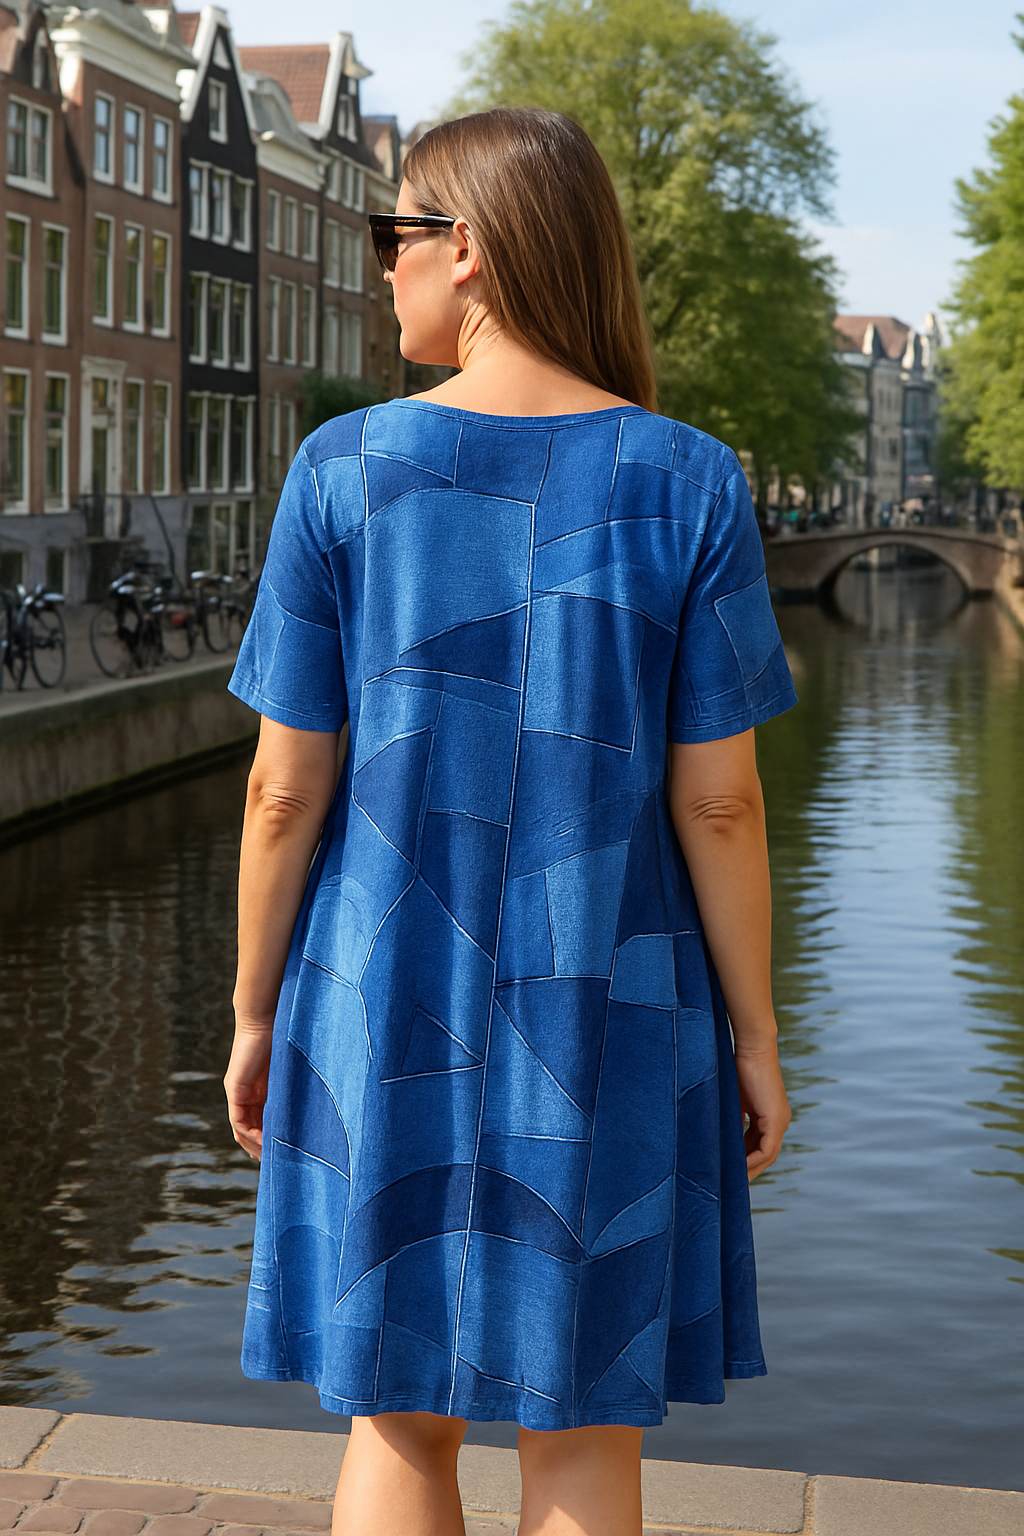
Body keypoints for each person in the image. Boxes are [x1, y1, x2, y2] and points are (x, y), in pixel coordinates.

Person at [223, 107, 795, 1536]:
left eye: (394, 234)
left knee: (399, 1420)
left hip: (380, 995)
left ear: (466, 248)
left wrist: (253, 1013)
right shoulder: (690, 479)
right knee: (583, 1429)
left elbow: (283, 790)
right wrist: (756, 1037)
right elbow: (720, 799)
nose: (383, 267)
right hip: (612, 1002)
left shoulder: (343, 470)